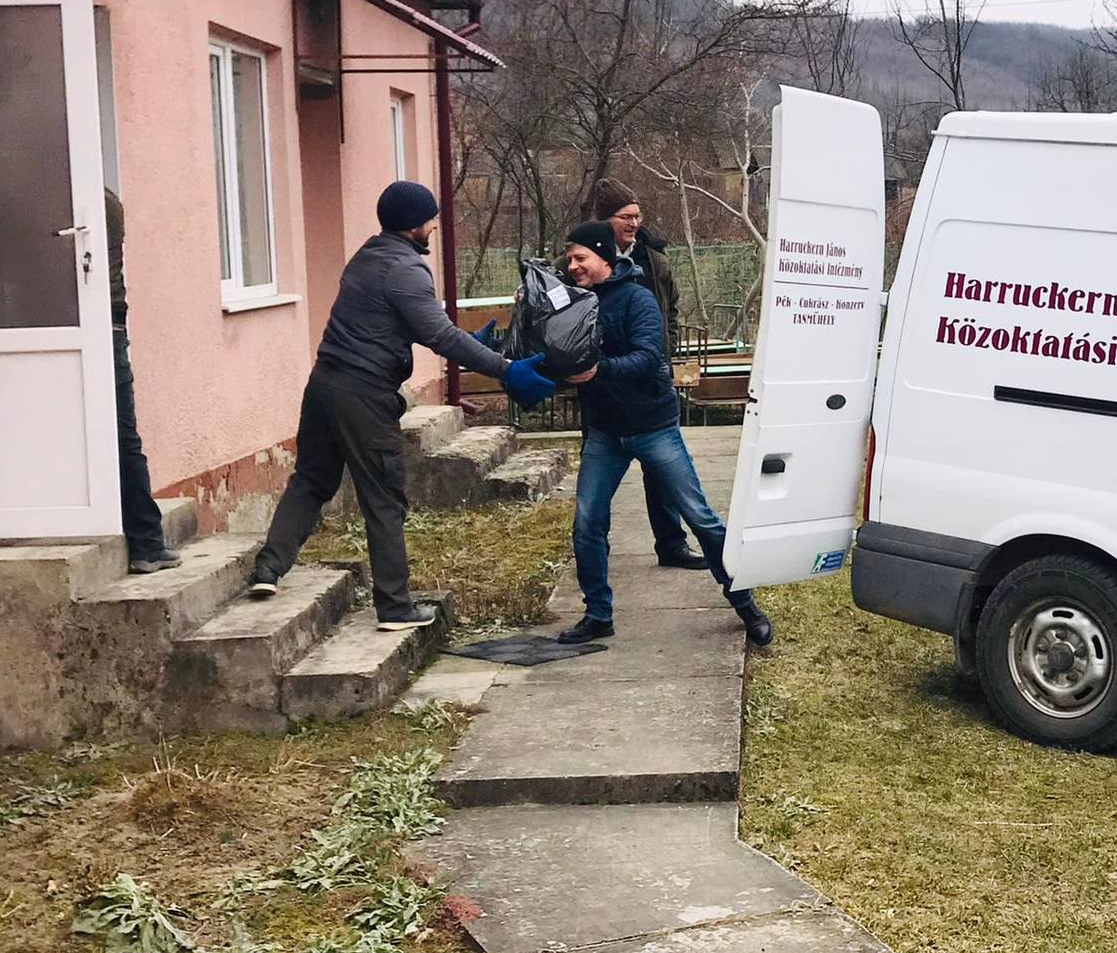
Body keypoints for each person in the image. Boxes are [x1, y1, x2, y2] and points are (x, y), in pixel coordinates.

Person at [246, 181, 557, 630]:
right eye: (431, 218)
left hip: (325, 383)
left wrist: (471, 343)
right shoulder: (406, 269)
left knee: (311, 479)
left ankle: (268, 569)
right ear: (415, 225)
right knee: (384, 498)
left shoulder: (367, 257)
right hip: (364, 394)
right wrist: (505, 369)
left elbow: (393, 322)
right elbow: (438, 335)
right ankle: (394, 607)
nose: (434, 225)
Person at [554, 220, 773, 647]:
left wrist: (598, 370)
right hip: (605, 431)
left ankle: (746, 605)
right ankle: (598, 615)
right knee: (587, 522)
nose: (572, 265)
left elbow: (649, 356)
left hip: (652, 426)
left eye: (580, 257)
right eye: (569, 259)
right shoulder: (572, 301)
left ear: (603, 257)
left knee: (700, 517)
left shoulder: (637, 299)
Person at [586, 177, 704, 571]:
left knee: (661, 474)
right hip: (603, 386)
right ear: (606, 221)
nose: (634, 223)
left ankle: (672, 545)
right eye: (625, 217)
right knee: (597, 483)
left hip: (649, 381)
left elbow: (671, 312)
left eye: (637, 216)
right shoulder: (583, 261)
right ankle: (595, 548)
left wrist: (666, 354)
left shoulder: (655, 261)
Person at [107, 188, 181, 575]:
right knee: (124, 438)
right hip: (108, 329)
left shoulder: (87, 204)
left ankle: (147, 544)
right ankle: (147, 543)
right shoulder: (98, 200)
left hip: (103, 328)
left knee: (122, 439)